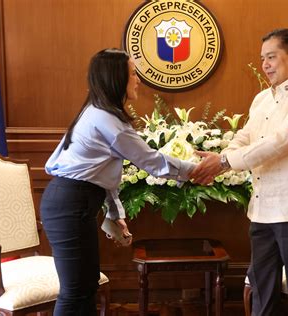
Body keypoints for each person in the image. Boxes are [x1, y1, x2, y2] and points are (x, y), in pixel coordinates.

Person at [190, 29, 288, 315]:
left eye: (272, 57)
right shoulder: (262, 99)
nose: (265, 65)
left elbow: (283, 141)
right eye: (262, 59)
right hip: (263, 207)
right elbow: (245, 136)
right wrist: (224, 155)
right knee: (262, 286)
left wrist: (223, 162)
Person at [40, 48, 196, 316]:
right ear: (115, 79)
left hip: (73, 202)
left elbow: (104, 174)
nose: (138, 80)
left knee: (86, 286)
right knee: (76, 289)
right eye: (134, 74)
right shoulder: (106, 119)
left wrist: (115, 213)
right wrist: (198, 169)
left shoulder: (99, 112)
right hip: (70, 204)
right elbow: (151, 161)